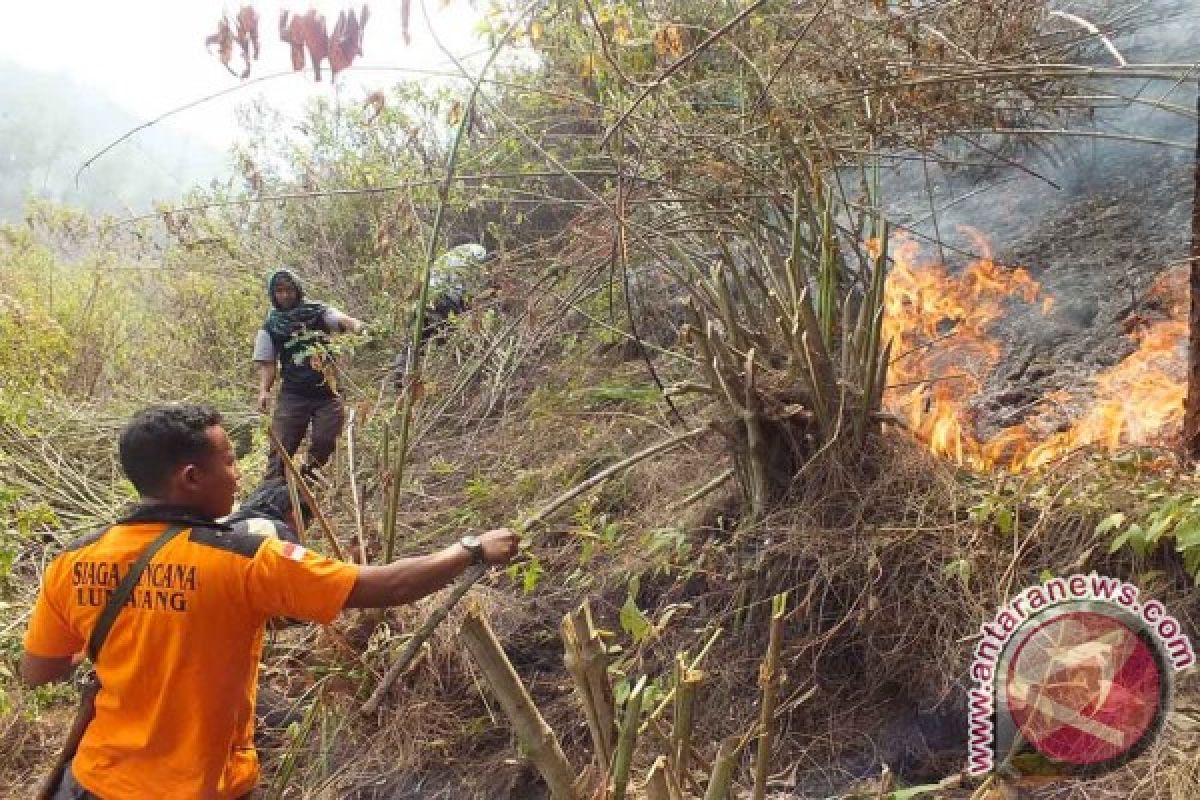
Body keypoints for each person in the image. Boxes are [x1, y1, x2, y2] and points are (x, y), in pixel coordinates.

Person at [20, 404, 518, 799]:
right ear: (191, 478)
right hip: (201, 788)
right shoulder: (245, 558)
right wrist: (470, 550)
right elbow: (381, 587)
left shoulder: (74, 559)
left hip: (95, 782)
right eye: (231, 461)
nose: (239, 476)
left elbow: (40, 671)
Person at [255, 268, 366, 483]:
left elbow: (340, 319)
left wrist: (358, 327)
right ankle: (269, 496)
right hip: (293, 396)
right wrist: (264, 390)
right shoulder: (271, 326)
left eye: (289, 290)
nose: (285, 295)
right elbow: (268, 365)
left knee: (325, 440)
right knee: (281, 453)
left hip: (327, 393)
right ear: (273, 294)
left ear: (297, 290)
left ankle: (306, 484)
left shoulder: (317, 312)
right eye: (279, 291)